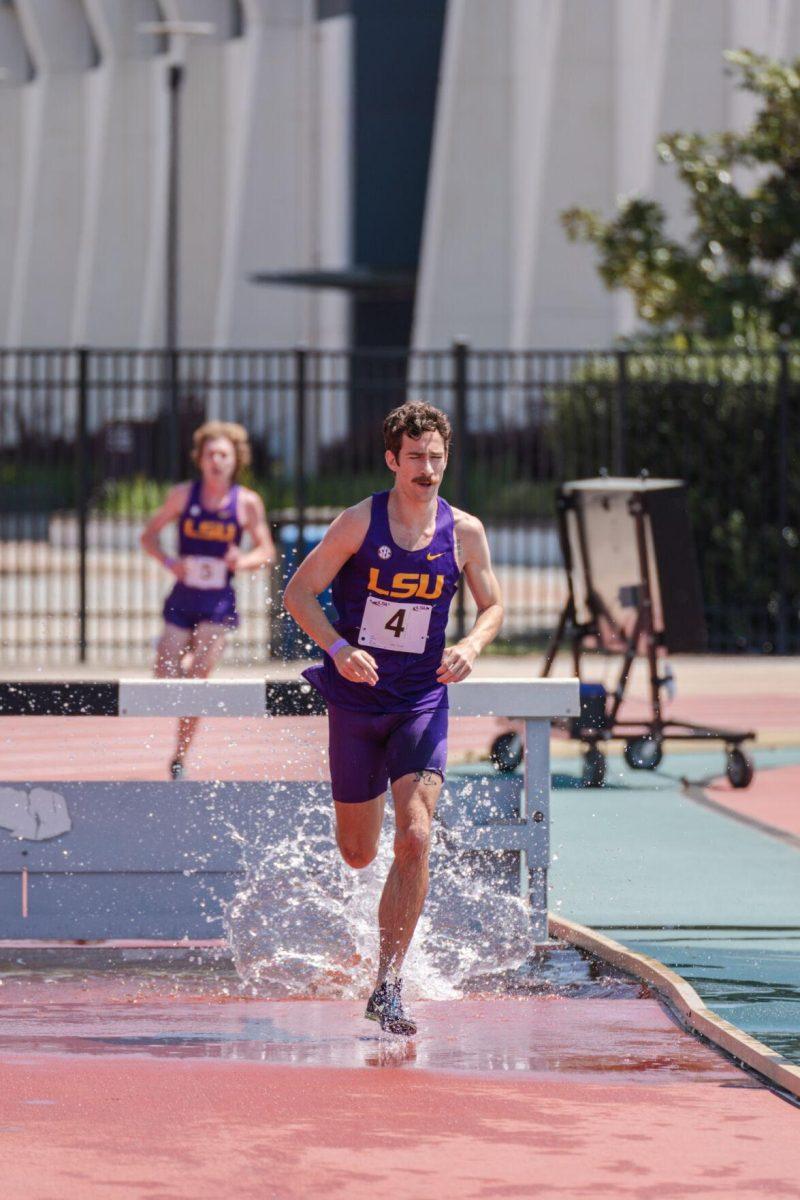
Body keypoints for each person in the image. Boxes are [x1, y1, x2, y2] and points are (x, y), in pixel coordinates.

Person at [283, 401, 503, 1035]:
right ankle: (374, 950)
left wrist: (471, 645)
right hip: (356, 700)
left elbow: (493, 606)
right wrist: (338, 648)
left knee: (414, 836)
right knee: (358, 853)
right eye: (416, 459)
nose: (428, 470)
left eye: (437, 458)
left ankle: (387, 985)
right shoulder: (360, 521)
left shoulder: (465, 532)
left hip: (420, 699)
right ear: (392, 459)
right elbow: (299, 594)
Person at [141, 421, 275, 779]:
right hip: (184, 594)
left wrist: (241, 561)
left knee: (198, 675)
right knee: (165, 672)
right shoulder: (183, 496)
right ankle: (171, 652)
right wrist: (172, 563)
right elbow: (149, 537)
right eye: (210, 454)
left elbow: (266, 550)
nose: (217, 460)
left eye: (224, 455)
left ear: (236, 460)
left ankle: (180, 755)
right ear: (200, 459)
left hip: (218, 601)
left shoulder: (246, 502)